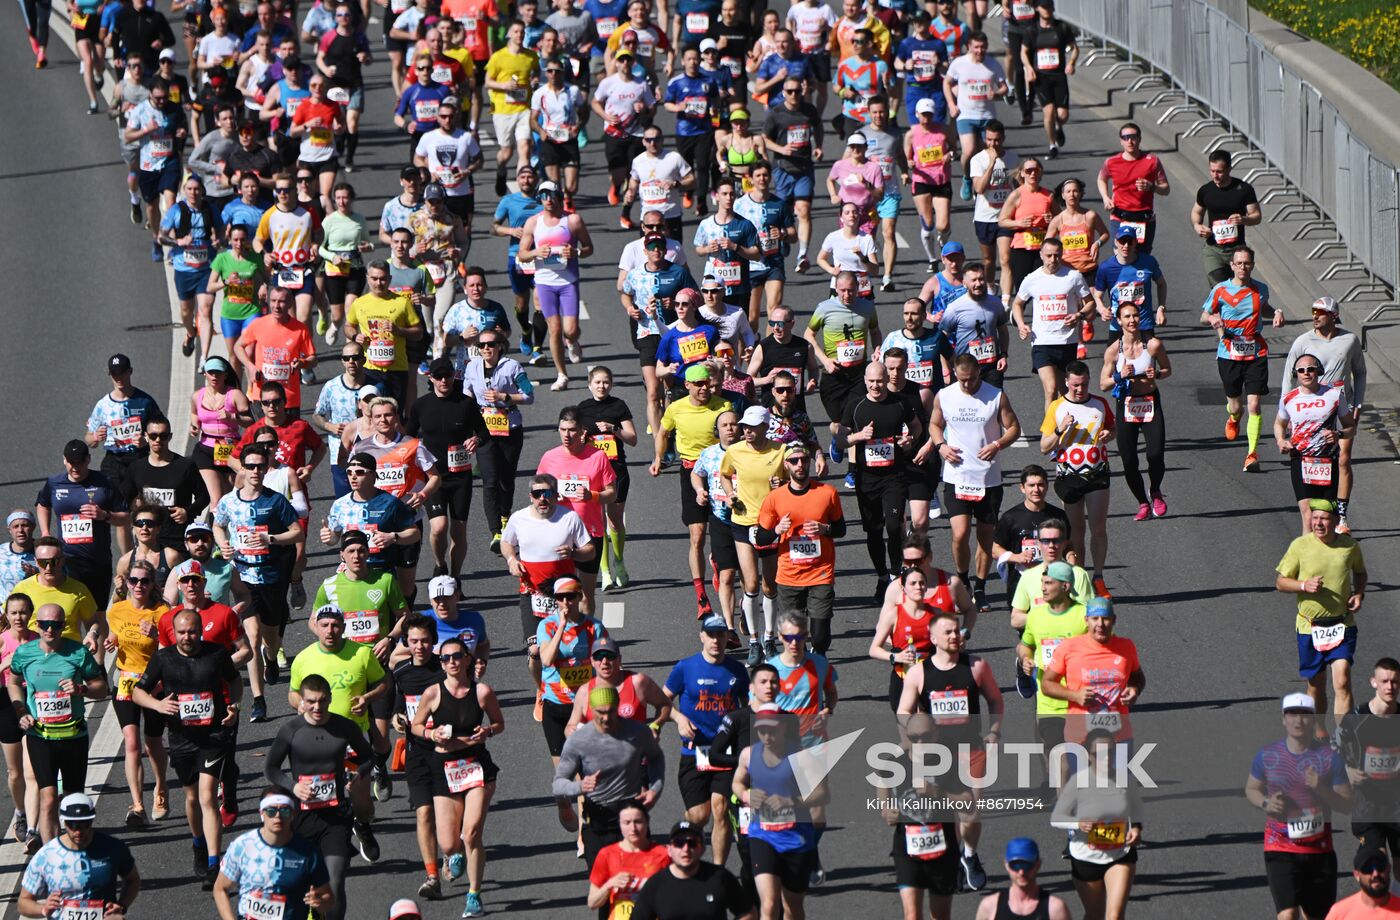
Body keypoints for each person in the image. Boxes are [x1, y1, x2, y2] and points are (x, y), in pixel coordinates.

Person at [132, 609, 242, 888]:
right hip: (182, 739)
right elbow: (137, 691)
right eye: (181, 632)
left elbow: (235, 680)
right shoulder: (163, 658)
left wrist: (234, 707)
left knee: (207, 797)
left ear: (200, 630)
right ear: (174, 633)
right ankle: (198, 845)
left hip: (214, 735)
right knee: (192, 798)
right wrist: (157, 705)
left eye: (192, 632)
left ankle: (214, 864)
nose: (187, 637)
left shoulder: (216, 653)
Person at [897, 611, 1003, 891]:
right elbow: (904, 710)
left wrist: (994, 731)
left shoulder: (976, 666)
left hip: (971, 749)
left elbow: (995, 700)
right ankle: (952, 858)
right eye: (948, 632)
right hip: (935, 755)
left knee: (971, 810)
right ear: (933, 638)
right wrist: (911, 743)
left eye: (957, 631)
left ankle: (970, 854)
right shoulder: (920, 672)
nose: (956, 635)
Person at [266, 671, 378, 920]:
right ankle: (313, 910)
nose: (317, 707)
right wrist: (292, 786)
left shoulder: (344, 727)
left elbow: (368, 757)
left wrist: (357, 774)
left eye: (322, 700)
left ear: (329, 699)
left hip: (336, 816)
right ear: (302, 702)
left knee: (335, 881)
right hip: (300, 818)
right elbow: (271, 768)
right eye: (311, 701)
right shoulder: (291, 730)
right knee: (302, 882)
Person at [409, 635, 504, 918]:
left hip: (476, 766)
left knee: (472, 833)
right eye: (445, 658)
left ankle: (474, 895)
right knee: (449, 844)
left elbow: (499, 723)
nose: (451, 662)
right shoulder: (433, 693)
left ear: (467, 659)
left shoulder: (482, 692)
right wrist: (430, 733)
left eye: (456, 656)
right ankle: (455, 855)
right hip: (445, 767)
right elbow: (415, 725)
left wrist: (487, 731)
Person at [927, 354, 1022, 613]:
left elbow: (1014, 427)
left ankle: (980, 587)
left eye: (970, 380)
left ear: (979, 373)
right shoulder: (945, 395)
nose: (966, 385)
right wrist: (941, 446)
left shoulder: (995, 395)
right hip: (957, 475)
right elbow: (935, 424)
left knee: (985, 538)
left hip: (987, 478)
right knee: (959, 534)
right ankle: (963, 579)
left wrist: (997, 444)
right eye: (962, 380)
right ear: (955, 374)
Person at [1246, 693, 1352, 920]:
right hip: (1280, 847)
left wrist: (1320, 789)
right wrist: (1267, 803)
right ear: (1284, 719)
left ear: (1313, 720)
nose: (1298, 721)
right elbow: (1251, 789)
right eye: (1292, 714)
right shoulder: (1268, 755)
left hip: (1319, 850)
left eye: (1305, 715)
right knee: (1287, 914)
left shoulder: (1329, 757)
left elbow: (1346, 803)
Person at [7, 604, 108, 843]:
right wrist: (20, 709)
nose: (49, 630)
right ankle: (50, 851)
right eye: (44, 625)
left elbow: (101, 688)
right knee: (49, 796)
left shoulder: (78, 653)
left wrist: (81, 689)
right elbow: (13, 682)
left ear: (64, 625)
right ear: (36, 625)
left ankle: (73, 848)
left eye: (56, 625)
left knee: (73, 798)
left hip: (73, 736)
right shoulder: (25, 653)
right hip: (40, 736)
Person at [212, 442, 302, 687]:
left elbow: (297, 534)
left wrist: (269, 538)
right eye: (250, 466)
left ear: (265, 469)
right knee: (253, 635)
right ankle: (258, 700)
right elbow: (217, 525)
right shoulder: (229, 501)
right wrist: (223, 544)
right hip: (243, 576)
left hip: (271, 575)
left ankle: (271, 658)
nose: (255, 471)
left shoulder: (276, 502)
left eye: (260, 467)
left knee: (270, 636)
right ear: (242, 468)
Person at [501, 485, 595, 716]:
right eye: (537, 494)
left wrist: (574, 554)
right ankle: (542, 690)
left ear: (555, 495)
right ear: (530, 496)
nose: (542, 498)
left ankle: (583, 693)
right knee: (535, 651)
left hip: (564, 595)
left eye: (548, 493)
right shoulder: (519, 518)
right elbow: (506, 543)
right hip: (532, 594)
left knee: (575, 648)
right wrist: (512, 560)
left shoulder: (569, 517)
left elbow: (590, 550)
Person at [665, 615, 750, 866]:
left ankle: (717, 870)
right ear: (701, 636)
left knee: (720, 807)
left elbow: (748, 706)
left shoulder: (737, 670)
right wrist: (679, 719)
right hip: (694, 752)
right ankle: (685, 853)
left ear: (727, 638)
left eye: (721, 635)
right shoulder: (685, 668)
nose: (716, 640)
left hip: (724, 751)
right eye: (711, 635)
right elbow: (661, 700)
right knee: (699, 816)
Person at [552, 685, 666, 866]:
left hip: (630, 816)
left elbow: (656, 757)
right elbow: (558, 784)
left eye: (611, 711)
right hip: (597, 819)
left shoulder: (637, 732)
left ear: (618, 707)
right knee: (601, 886)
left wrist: (655, 789)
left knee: (636, 881)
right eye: (600, 712)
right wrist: (580, 787)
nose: (606, 717)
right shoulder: (579, 740)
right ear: (590, 711)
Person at [1280, 297, 1367, 533]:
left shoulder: (1349, 340)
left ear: (1334, 315)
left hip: (1341, 406)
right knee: (1315, 460)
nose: (1315, 316)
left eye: (1321, 312)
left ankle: (1341, 517)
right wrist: (1287, 415)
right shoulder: (1303, 341)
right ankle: (1316, 514)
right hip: (1310, 411)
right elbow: (1289, 377)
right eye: (1313, 311)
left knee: (1343, 459)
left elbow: (1359, 373)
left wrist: (1358, 403)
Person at [651, 365, 732, 618]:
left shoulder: (723, 406)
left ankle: (720, 562)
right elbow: (664, 432)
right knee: (697, 536)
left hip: (720, 472)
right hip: (690, 471)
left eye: (707, 383)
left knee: (724, 528)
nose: (704, 388)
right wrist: (658, 457)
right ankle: (701, 595)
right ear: (687, 385)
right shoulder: (676, 408)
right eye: (698, 384)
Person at [1276, 499, 1367, 719]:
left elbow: (1360, 572)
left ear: (1336, 521)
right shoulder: (1300, 546)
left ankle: (1344, 737)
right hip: (1310, 627)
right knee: (1316, 685)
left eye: (1324, 518)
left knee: (1343, 679)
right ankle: (1319, 731)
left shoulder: (1349, 546)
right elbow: (1280, 582)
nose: (1318, 523)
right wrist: (1303, 585)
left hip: (1342, 624)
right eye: (1315, 518)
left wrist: (1359, 593)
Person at [1200, 245, 1285, 473]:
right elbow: (1204, 314)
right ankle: (1234, 416)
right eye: (1238, 263)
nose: (1243, 267)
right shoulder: (1220, 290)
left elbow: (1264, 308)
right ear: (1232, 265)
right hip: (1229, 352)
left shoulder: (1260, 289)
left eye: (1247, 263)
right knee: (1237, 404)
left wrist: (1276, 312)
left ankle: (1252, 454)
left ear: (1252, 265)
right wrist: (1212, 319)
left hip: (1256, 351)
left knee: (1255, 405)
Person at [755, 444, 844, 655]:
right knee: (793, 634)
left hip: (820, 572)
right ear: (786, 465)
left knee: (820, 636)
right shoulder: (775, 498)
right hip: (789, 576)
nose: (800, 464)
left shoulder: (827, 493)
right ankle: (801, 671)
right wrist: (777, 529)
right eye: (794, 461)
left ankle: (816, 656)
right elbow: (761, 537)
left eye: (804, 459)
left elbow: (841, 529)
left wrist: (825, 528)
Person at [732, 705, 820, 918]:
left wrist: (790, 801)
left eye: (772, 730)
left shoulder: (801, 755)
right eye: (762, 731)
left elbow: (821, 794)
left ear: (782, 727)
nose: (767, 736)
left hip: (796, 837)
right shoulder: (748, 755)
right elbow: (737, 782)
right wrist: (745, 795)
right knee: (769, 904)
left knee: (792, 907)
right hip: (762, 835)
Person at [1050, 728, 1146, 920]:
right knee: (1094, 915)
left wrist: (1136, 828)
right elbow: (1057, 818)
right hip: (1086, 857)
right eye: (1099, 754)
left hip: (1120, 853)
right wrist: (1078, 823)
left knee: (1115, 915)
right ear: (1088, 755)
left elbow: (1136, 808)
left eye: (1110, 752)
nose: (1105, 758)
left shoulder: (1125, 779)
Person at [1039, 360, 1114, 599]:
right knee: (1075, 533)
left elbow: (1112, 429)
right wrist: (1060, 429)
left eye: (1083, 385)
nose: (1079, 390)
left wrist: (1108, 434)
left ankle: (1099, 577)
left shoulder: (1100, 404)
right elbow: (1044, 446)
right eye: (1075, 386)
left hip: (1097, 473)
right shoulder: (1057, 408)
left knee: (1098, 528)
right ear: (1066, 383)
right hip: (1069, 477)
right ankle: (1080, 579)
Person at [106, 560, 171, 828]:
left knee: (152, 743)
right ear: (127, 583)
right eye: (134, 581)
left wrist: (157, 635)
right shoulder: (118, 610)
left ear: (153, 583)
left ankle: (161, 787)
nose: (139, 586)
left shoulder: (163, 612)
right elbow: (115, 634)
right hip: (126, 680)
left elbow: (172, 647)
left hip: (155, 683)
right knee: (131, 742)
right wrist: (112, 641)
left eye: (144, 581)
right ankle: (137, 805)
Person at [537, 409, 618, 610]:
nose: (567, 435)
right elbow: (538, 492)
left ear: (582, 431)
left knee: (585, 594)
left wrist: (593, 496)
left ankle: (586, 637)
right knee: (560, 592)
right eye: (563, 429)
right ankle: (564, 635)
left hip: (589, 534)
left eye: (572, 430)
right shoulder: (549, 457)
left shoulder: (598, 456)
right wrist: (551, 496)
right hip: (558, 532)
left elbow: (612, 493)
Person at [214, 787, 334, 920]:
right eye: (271, 811)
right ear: (261, 813)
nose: (278, 816)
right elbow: (220, 889)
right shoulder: (242, 846)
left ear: (293, 814)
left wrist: (320, 902)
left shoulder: (308, 852)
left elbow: (327, 898)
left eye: (284, 811)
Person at [37, 440, 129, 610]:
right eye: (71, 463)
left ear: (88, 459)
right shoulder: (54, 483)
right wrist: (45, 531)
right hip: (66, 559)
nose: (75, 467)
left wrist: (104, 515)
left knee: (98, 611)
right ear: (64, 460)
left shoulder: (104, 483)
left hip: (97, 560)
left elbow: (125, 517)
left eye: (80, 462)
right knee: (67, 610)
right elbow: (43, 504)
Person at [1100, 302, 1171, 522]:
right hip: (1127, 405)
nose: (1132, 320)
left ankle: (1155, 490)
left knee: (1155, 454)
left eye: (1135, 316)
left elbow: (1168, 369)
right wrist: (1120, 376)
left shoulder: (1153, 345)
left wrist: (1156, 375)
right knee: (1129, 459)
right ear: (1119, 321)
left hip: (1150, 402)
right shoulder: (1114, 351)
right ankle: (1142, 502)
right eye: (1127, 317)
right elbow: (1103, 384)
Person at [1040, 597, 1144, 747]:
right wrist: (1074, 695)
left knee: (1118, 771)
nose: (1100, 624)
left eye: (1105, 619)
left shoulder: (1126, 647)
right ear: (1086, 620)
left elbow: (1138, 677)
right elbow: (1046, 684)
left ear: (1114, 620)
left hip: (1120, 736)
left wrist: (1135, 689)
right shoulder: (1069, 647)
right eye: (1095, 618)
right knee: (1080, 771)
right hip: (1080, 736)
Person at [18, 794, 140, 920]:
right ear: (64, 822)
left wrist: (121, 906)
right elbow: (23, 902)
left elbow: (133, 880)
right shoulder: (46, 855)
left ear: (92, 821)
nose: (78, 831)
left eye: (84, 824)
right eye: (72, 825)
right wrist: (43, 909)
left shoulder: (114, 848)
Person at [575, 367, 639, 591]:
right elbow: (574, 442)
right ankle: (605, 571)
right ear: (589, 384)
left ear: (611, 384)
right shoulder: (582, 409)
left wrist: (614, 429)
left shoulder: (618, 406)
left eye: (606, 382)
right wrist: (582, 439)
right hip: (592, 472)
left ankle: (619, 562)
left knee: (614, 520)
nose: (601, 386)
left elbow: (633, 439)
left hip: (616, 469)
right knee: (597, 523)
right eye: (597, 382)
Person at [1276, 353, 1355, 532]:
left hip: (1327, 461)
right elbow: (1278, 424)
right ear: (1296, 374)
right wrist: (1281, 440)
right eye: (1301, 370)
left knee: (1326, 517)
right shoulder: (1289, 398)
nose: (1306, 373)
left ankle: (1328, 554)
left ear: (1318, 371)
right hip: (1300, 459)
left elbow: (1351, 427)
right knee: (1308, 514)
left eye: (1310, 369)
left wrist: (1339, 434)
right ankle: (1307, 558)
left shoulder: (1334, 395)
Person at [1014, 238, 1093, 410]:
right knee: (1050, 390)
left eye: (1057, 255)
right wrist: (1021, 324)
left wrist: (1079, 315)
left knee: (1064, 392)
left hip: (1067, 342)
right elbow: (1017, 303)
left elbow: (1090, 303)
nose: (1053, 260)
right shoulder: (1032, 279)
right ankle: (1050, 433)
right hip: (1042, 342)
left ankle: (1065, 430)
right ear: (1041, 255)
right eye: (1049, 255)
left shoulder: (1073, 277)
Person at [1336, 658, 1400, 863]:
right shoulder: (1356, 719)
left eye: (1395, 682)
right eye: (1384, 681)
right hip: (1368, 805)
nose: (1390, 687)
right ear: (1374, 682)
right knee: (1376, 863)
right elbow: (1332, 749)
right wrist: (1348, 771)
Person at [631, 819, 755, 920]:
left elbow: (748, 913)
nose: (686, 849)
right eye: (679, 843)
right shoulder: (656, 884)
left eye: (692, 843)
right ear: (669, 849)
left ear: (702, 848)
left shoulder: (719, 877)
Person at [85, 353, 166, 503]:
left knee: (142, 505)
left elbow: (163, 429)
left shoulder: (145, 401)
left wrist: (147, 440)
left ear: (130, 371)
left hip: (139, 458)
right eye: (114, 374)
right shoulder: (103, 405)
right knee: (119, 509)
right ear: (110, 374)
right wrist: (96, 437)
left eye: (122, 372)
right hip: (114, 461)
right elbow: (89, 439)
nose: (119, 377)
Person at [761, 77, 824, 271]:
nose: (794, 95)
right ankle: (786, 239)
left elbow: (818, 127)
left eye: (797, 91)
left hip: (804, 168)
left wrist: (819, 146)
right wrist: (781, 149)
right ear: (783, 93)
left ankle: (803, 254)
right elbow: (764, 138)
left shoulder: (809, 110)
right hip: (783, 169)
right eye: (790, 91)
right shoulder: (776, 113)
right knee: (784, 213)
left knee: (804, 210)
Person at [345, 262, 427, 409]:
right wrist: (355, 336)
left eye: (382, 279)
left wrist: (399, 331)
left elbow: (419, 333)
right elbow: (348, 326)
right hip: (369, 368)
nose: (379, 283)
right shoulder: (359, 303)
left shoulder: (402, 303)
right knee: (371, 411)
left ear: (389, 279)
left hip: (397, 368)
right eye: (374, 278)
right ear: (367, 278)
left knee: (394, 412)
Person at [943, 32, 1007, 201]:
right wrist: (951, 104)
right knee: (969, 150)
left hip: (987, 115)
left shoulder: (992, 64)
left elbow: (1004, 87)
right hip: (966, 114)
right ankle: (966, 178)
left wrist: (997, 93)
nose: (980, 50)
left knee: (986, 152)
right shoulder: (959, 63)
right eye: (976, 47)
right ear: (969, 47)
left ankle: (985, 182)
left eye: (983, 47)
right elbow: (947, 83)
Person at [235, 286, 318, 412]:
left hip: (289, 399)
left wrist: (302, 363)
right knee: (264, 432)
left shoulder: (300, 329)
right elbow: (238, 346)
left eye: (282, 301)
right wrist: (250, 367)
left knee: (289, 432)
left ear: (290, 303)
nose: (277, 306)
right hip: (263, 396)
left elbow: (313, 359)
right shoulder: (258, 324)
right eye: (273, 301)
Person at [587, 802, 673, 920]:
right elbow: (592, 903)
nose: (632, 828)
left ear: (647, 822)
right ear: (620, 824)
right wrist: (609, 885)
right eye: (627, 822)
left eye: (638, 822)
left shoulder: (663, 855)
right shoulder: (607, 855)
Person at [485, 21, 540, 196]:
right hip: (503, 110)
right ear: (509, 34)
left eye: (522, 32)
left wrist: (534, 81)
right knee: (506, 153)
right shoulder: (498, 57)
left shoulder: (531, 56)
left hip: (524, 109)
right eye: (516, 31)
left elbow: (536, 72)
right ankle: (501, 170)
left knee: (524, 148)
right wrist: (504, 85)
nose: (519, 35)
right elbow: (487, 82)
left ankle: (524, 189)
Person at [1192, 148, 1262, 284]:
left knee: (1237, 289)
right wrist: (1197, 225)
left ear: (1229, 169)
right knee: (1219, 286)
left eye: (1219, 171)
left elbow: (1257, 216)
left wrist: (1244, 219)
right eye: (1212, 171)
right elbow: (1197, 212)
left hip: (1237, 252)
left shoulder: (1244, 189)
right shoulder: (1206, 191)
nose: (1215, 176)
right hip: (1213, 249)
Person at [904, 98, 956, 273]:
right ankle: (932, 259)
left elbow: (954, 149)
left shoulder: (943, 131)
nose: (926, 118)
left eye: (929, 115)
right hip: (922, 181)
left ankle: (943, 242)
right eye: (923, 115)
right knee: (927, 223)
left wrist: (950, 154)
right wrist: (909, 163)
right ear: (917, 114)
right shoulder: (911, 134)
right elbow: (907, 158)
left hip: (941, 180)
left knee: (943, 224)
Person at [938, 262, 1009, 387]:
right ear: (965, 283)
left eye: (981, 279)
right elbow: (941, 338)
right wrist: (946, 367)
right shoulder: (955, 308)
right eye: (974, 280)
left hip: (991, 365)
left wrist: (1003, 355)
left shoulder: (995, 303)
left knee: (994, 403)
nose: (978, 284)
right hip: (965, 367)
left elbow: (1003, 331)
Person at [1020, 0, 1076, 156]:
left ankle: (1059, 126)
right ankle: (1052, 145)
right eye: (1044, 7)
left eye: (1050, 7)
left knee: (1062, 115)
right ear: (1037, 8)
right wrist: (1029, 68)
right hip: (1041, 77)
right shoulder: (1032, 30)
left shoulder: (1062, 28)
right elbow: (1023, 52)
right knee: (1049, 112)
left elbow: (1074, 48)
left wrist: (1071, 63)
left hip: (1059, 76)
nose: (1047, 10)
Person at [997, 156, 1056, 298]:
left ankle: (1038, 319)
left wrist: (1052, 220)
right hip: (1021, 247)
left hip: (1043, 248)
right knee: (1023, 290)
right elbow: (1002, 221)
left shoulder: (1048, 195)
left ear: (1041, 172)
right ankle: (1017, 315)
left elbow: (1061, 220)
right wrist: (1018, 223)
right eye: (1029, 170)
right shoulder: (1016, 195)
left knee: (1042, 287)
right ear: (1022, 173)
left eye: (1036, 170)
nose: (1033, 174)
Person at [973, 837, 1073, 920]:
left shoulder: (1055, 909)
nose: (1021, 872)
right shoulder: (990, 906)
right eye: (1015, 866)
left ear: (1038, 864)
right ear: (1006, 865)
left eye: (1027, 865)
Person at [0, 511, 37, 600]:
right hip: (4, 610)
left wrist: (37, 575)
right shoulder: (1, 551)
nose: (20, 530)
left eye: (24, 525)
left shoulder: (44, 551)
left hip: (35, 608)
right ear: (10, 530)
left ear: (33, 527)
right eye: (16, 526)